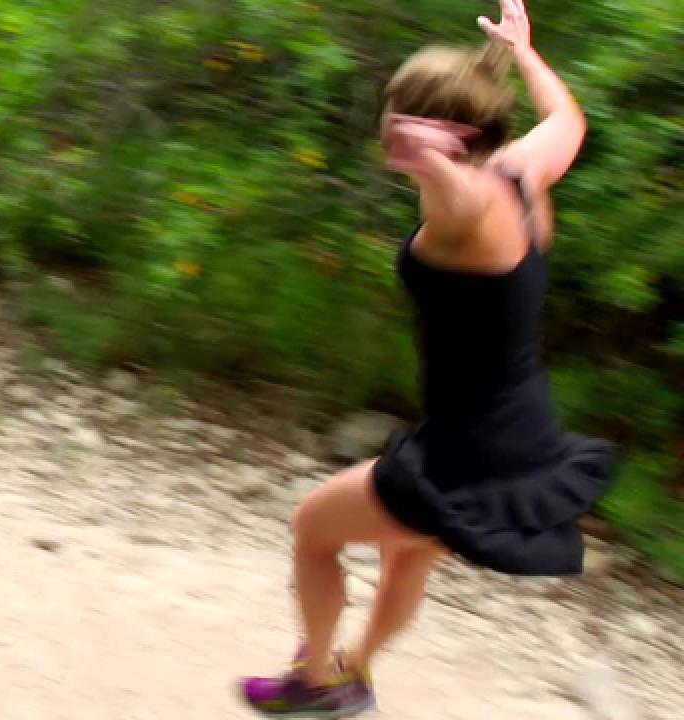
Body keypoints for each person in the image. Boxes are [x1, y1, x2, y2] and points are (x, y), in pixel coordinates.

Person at [240, 2, 617, 717]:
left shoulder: (466, 205)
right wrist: (525, 52)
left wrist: (429, 158)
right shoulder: (519, 170)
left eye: (395, 113)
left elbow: (455, 199)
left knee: (312, 529)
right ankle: (355, 673)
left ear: (435, 130)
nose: (387, 127)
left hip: (469, 450)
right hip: (516, 430)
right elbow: (569, 121)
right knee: (406, 554)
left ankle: (315, 682)